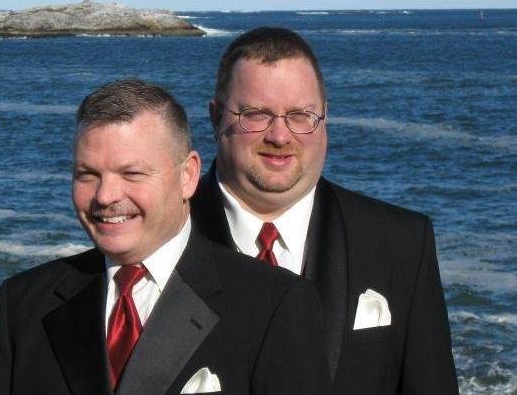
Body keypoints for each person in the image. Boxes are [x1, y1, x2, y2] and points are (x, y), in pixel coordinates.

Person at [0, 79, 332, 395]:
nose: (105, 195)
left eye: (132, 173)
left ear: (187, 176)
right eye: (87, 174)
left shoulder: (274, 305)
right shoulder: (23, 304)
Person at [191, 27, 459, 394]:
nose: (280, 136)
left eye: (301, 115)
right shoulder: (165, 239)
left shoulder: (401, 244)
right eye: (256, 114)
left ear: (324, 118)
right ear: (216, 117)